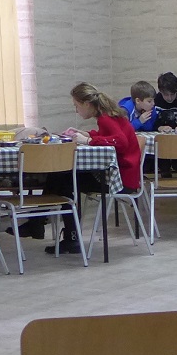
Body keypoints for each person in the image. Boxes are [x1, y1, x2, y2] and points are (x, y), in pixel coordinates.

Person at [45, 82, 145, 255]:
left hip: (119, 180)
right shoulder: (109, 115)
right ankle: (47, 227)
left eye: (76, 106)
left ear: (86, 104)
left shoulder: (105, 118)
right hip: (125, 176)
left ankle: (65, 234)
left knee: (64, 179)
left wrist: (89, 141)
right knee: (64, 178)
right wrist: (88, 134)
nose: (76, 110)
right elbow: (110, 135)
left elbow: (120, 142)